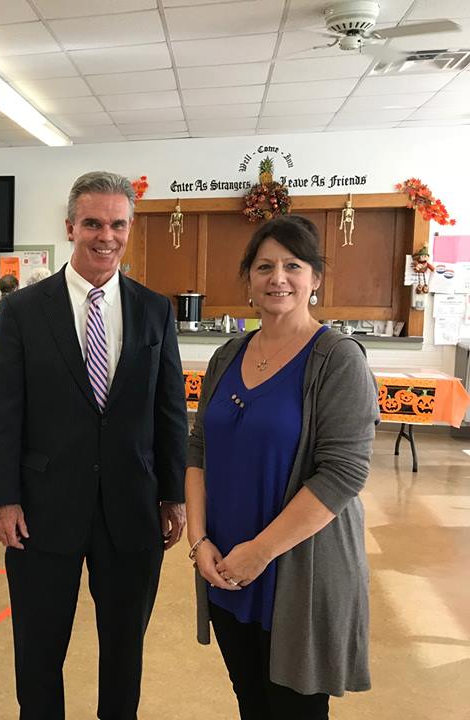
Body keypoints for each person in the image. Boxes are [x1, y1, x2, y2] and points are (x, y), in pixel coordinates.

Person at [0, 171, 188, 719]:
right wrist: (2, 496)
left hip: (132, 509)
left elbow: (169, 409)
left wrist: (173, 493)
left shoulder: (154, 310)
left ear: (130, 229)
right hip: (43, 511)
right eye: (93, 223)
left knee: (125, 648)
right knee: (39, 648)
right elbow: (2, 409)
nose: (106, 236)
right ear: (70, 226)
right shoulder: (25, 309)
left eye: (118, 224)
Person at [185, 215, 378, 719]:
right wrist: (200, 542)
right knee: (251, 703)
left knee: (294, 711)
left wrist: (259, 553)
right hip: (226, 569)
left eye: (293, 265)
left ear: (315, 278)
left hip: (296, 573)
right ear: (248, 278)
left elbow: (343, 474)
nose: (278, 278)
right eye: (264, 266)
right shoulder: (227, 356)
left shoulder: (337, 359)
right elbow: (199, 449)